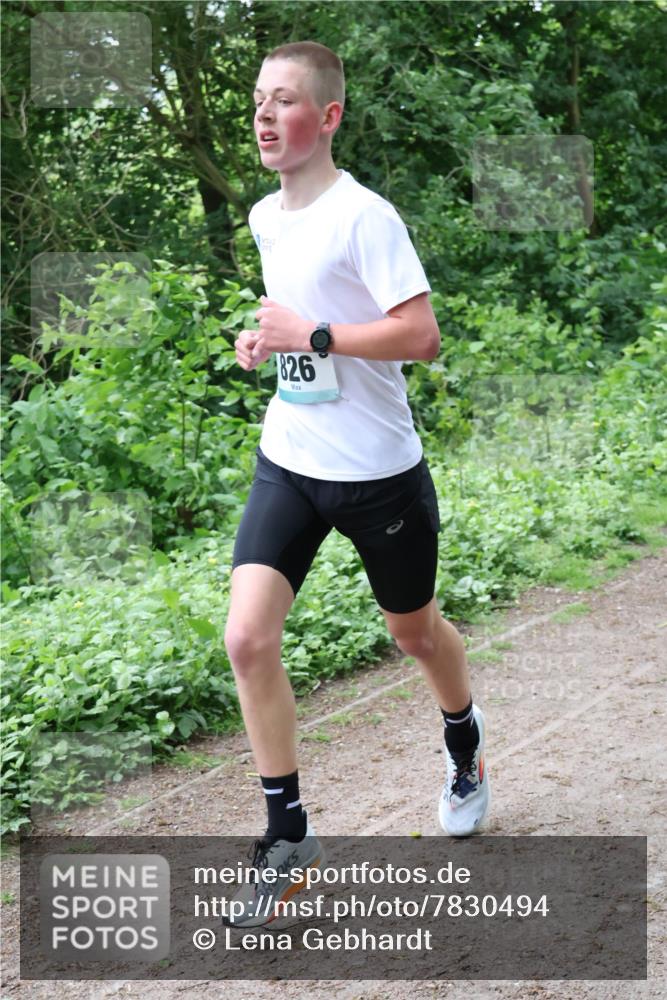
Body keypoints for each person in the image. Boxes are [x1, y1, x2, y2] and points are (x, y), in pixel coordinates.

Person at [223, 41, 490, 927]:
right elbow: (297, 322)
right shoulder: (266, 217)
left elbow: (419, 336)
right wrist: (268, 341)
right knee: (248, 640)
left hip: (379, 477)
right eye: (259, 99)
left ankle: (463, 742)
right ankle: (288, 835)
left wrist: (316, 336)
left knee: (412, 635)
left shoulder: (365, 216)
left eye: (285, 100)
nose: (265, 114)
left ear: (327, 116)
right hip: (291, 459)